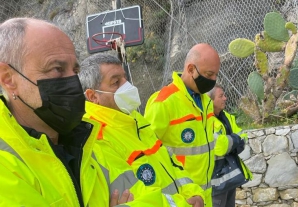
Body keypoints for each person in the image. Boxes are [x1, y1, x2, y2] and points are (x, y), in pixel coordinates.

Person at [0, 17, 170, 207]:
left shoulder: (87, 141)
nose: (74, 81)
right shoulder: (6, 162)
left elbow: (154, 198)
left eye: (75, 70)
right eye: (57, 69)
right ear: (8, 79)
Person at [78, 53, 205, 207]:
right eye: (116, 82)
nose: (127, 86)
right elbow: (132, 193)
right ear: (93, 96)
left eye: (125, 78)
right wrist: (183, 204)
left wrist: (193, 192)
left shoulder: (136, 119)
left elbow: (170, 162)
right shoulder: (95, 138)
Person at [144, 43, 220, 206]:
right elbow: (148, 153)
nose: (213, 80)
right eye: (209, 74)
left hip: (205, 195)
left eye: (216, 75)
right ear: (191, 69)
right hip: (184, 198)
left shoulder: (205, 102)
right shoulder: (164, 103)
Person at [207, 84, 252, 207]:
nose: (225, 98)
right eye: (221, 96)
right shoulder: (205, 120)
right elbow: (220, 146)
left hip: (229, 178)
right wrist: (234, 142)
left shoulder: (226, 116)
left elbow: (242, 136)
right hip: (216, 181)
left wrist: (231, 142)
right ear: (209, 100)